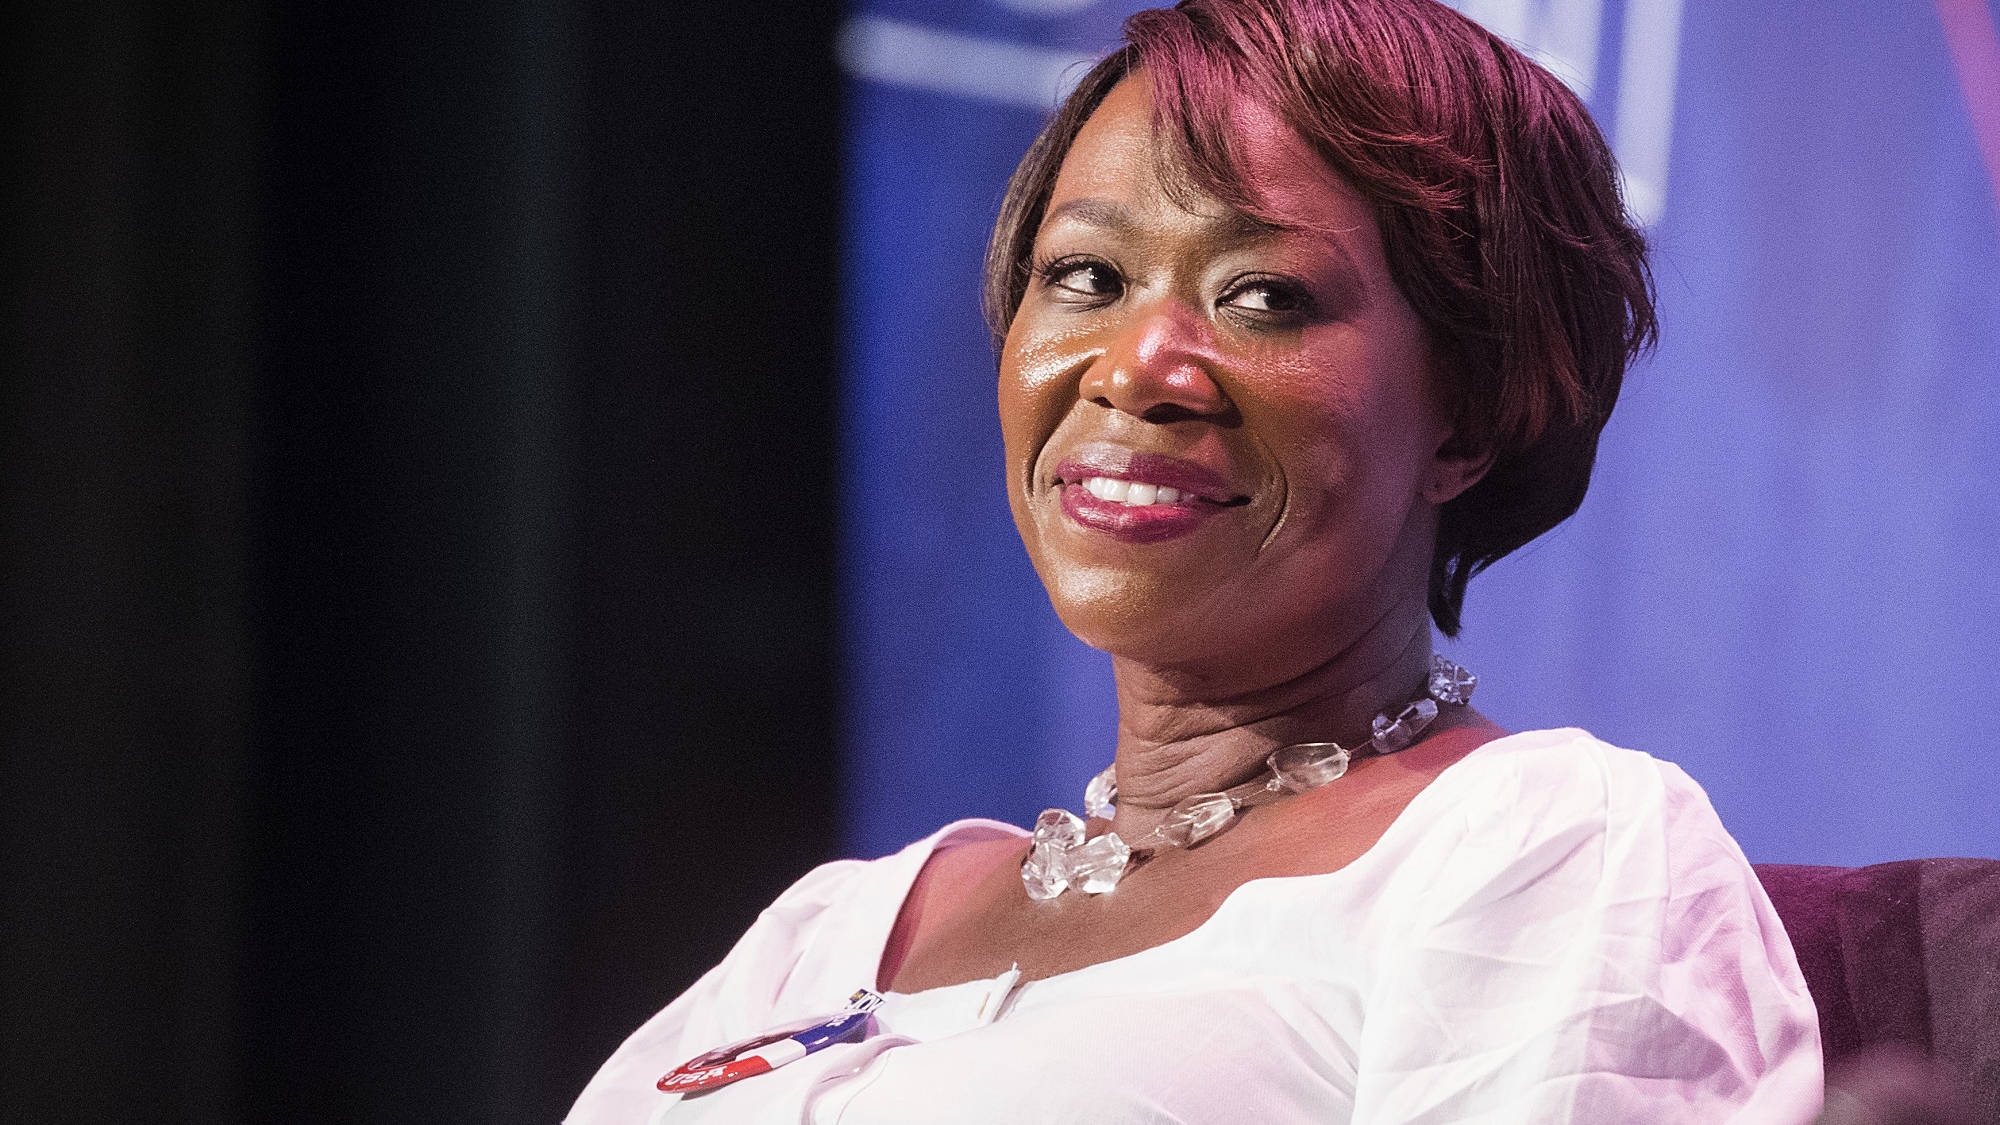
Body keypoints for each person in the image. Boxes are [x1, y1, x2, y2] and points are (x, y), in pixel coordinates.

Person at [567, 0, 1824, 1120]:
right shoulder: (827, 926)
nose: (1132, 368)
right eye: (1085, 277)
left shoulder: (1541, 848)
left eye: (1262, 296)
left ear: (1477, 410)